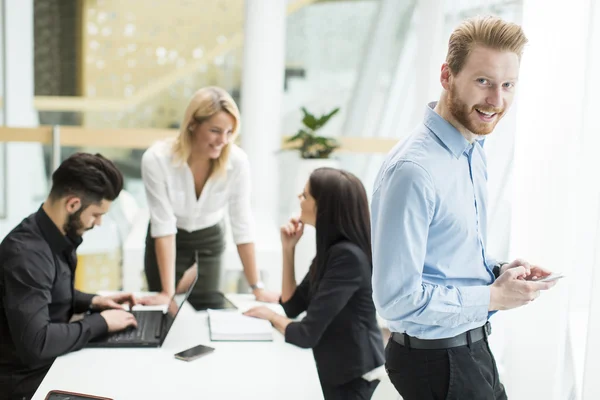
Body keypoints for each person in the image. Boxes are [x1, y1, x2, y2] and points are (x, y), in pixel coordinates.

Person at [371, 16, 560, 400]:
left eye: (508, 85)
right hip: (436, 362)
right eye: (483, 81)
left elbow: (445, 256)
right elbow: (395, 299)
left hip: (472, 348)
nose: (497, 100)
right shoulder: (414, 171)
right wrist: (491, 297)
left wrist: (499, 273)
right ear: (447, 76)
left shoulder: (471, 151)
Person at [0, 153, 139, 400]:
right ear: (73, 204)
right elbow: (38, 342)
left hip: (50, 364)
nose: (98, 223)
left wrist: (94, 301)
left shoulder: (51, 235)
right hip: (25, 383)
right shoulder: (27, 254)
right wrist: (102, 323)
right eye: (97, 214)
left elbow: (46, 291)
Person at [244, 167, 385, 400]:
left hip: (351, 379)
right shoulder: (332, 252)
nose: (300, 200)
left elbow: (305, 334)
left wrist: (270, 315)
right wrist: (288, 249)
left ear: (324, 206)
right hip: (335, 369)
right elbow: (291, 306)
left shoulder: (347, 257)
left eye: (306, 196)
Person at [139, 86, 279, 307]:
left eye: (230, 132)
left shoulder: (238, 162)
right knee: (165, 312)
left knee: (208, 310)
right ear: (193, 124)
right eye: (215, 130)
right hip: (167, 241)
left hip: (209, 240)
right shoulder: (156, 159)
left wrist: (257, 287)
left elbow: (241, 223)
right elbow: (163, 224)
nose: (223, 140)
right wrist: (167, 292)